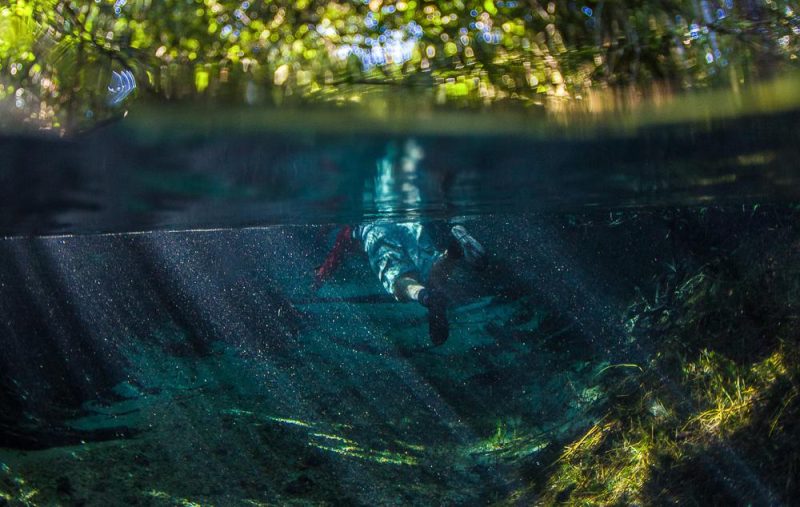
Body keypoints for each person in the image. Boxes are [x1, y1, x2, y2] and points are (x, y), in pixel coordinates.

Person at [312, 140, 486, 345]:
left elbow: (334, 257)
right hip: (409, 220)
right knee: (431, 272)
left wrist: (319, 279)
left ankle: (426, 298)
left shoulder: (350, 229)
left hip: (376, 230)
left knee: (398, 283)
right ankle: (453, 251)